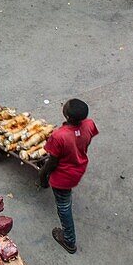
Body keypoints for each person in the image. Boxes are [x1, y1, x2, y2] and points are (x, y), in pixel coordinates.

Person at [37, 98, 98, 254]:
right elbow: (85, 142)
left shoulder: (59, 136)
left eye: (65, 107)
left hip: (63, 178)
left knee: (64, 207)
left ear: (67, 116)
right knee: (65, 199)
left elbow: (52, 162)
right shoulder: (89, 124)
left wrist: (43, 176)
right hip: (79, 167)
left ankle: (69, 240)